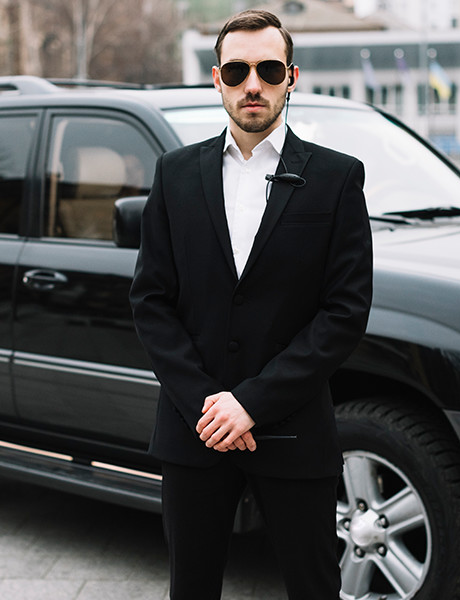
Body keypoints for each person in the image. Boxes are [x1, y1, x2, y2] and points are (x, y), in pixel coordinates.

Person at [130, 9, 372, 600]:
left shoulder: (337, 178)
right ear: (218, 79)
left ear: (292, 77)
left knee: (314, 588)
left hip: (292, 431)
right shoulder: (174, 173)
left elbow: (344, 311)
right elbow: (151, 300)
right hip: (195, 431)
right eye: (237, 71)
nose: (253, 85)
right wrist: (208, 405)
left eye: (268, 70)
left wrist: (252, 404)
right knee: (191, 588)